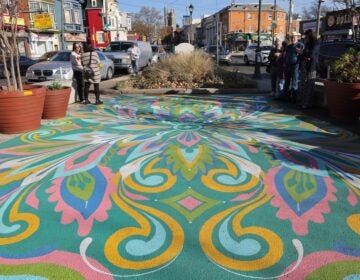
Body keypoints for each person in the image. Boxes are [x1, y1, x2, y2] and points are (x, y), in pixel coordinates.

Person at [299, 29, 317, 109]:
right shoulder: (307, 44)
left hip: (311, 67)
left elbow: (311, 55)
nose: (305, 37)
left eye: (306, 35)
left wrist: (304, 54)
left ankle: (307, 103)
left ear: (308, 35)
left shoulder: (314, 44)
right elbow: (306, 54)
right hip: (306, 66)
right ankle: (304, 102)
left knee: (309, 85)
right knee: (305, 85)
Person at [283, 32, 303, 102]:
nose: (293, 39)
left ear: (297, 38)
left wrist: (299, 51)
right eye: (292, 37)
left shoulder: (300, 45)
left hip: (295, 66)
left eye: (294, 37)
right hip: (288, 66)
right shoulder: (289, 46)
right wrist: (285, 63)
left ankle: (294, 99)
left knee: (294, 82)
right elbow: (286, 55)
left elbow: (302, 53)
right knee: (287, 82)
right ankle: (286, 97)